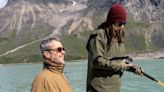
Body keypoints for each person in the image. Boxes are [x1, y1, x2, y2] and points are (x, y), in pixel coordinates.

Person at [86, 3, 143, 92]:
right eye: (120, 24)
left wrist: (132, 68)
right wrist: (120, 65)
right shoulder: (98, 36)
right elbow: (97, 62)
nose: (122, 27)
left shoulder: (119, 38)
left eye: (124, 24)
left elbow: (119, 62)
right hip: (98, 89)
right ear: (112, 22)